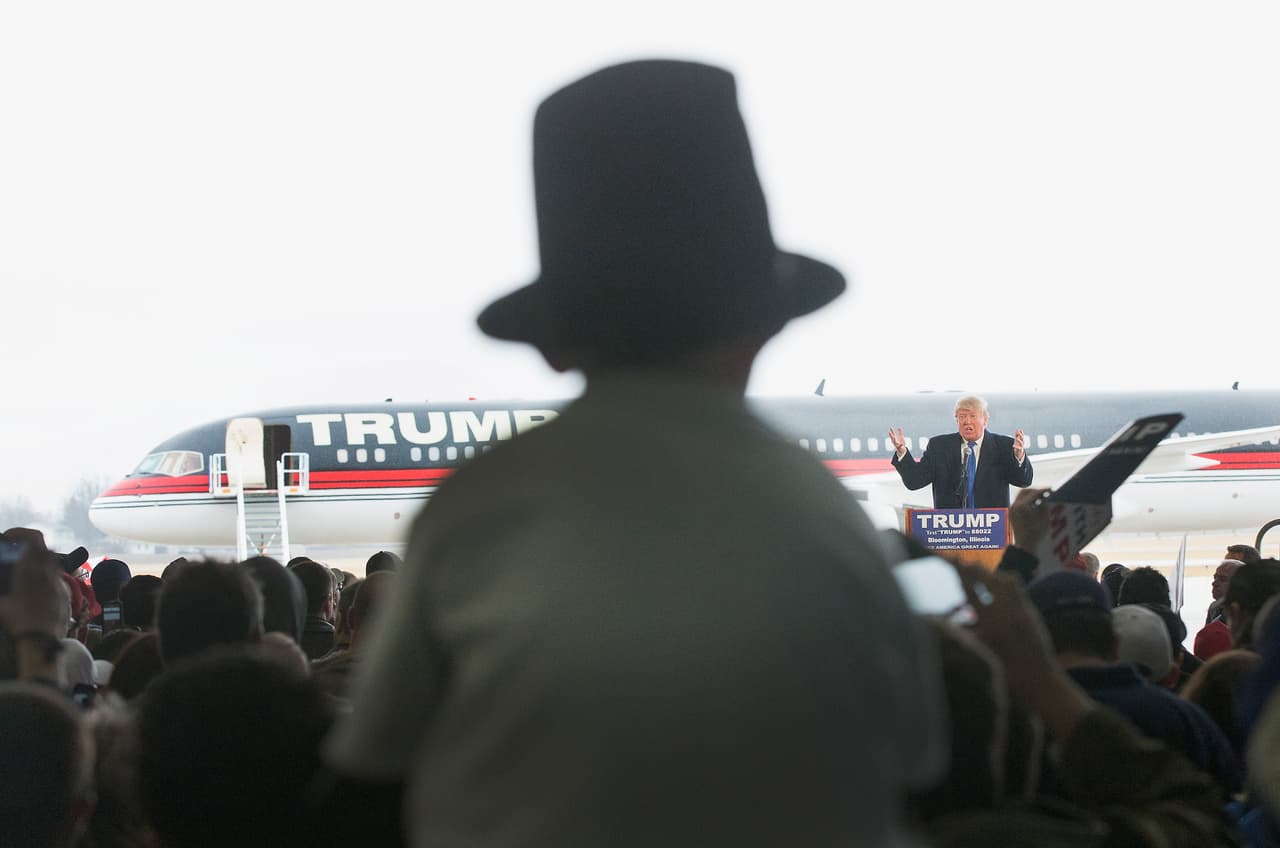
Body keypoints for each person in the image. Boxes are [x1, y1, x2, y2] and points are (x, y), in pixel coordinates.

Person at [324, 59, 945, 847]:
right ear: (767, 325)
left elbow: (367, 780)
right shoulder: (835, 523)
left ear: (553, 346)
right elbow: (920, 765)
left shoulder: (477, 509)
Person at [889, 395, 1033, 508]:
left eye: (973, 416)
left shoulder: (1003, 446)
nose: (967, 421)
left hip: (992, 533)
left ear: (985, 420)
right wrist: (902, 452)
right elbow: (914, 481)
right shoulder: (939, 447)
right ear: (956, 420)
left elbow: (1024, 481)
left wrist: (1019, 457)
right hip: (952, 535)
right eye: (962, 417)